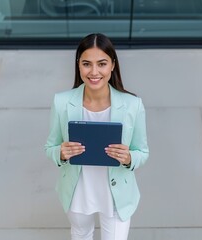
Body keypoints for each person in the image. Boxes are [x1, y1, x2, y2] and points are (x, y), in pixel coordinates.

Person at [44, 33, 149, 240]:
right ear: (78, 65)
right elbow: (50, 147)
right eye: (86, 64)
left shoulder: (132, 105)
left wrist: (128, 158)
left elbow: (142, 152)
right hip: (79, 191)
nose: (94, 72)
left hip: (117, 194)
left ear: (112, 65)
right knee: (81, 233)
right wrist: (61, 153)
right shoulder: (62, 102)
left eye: (101, 63)